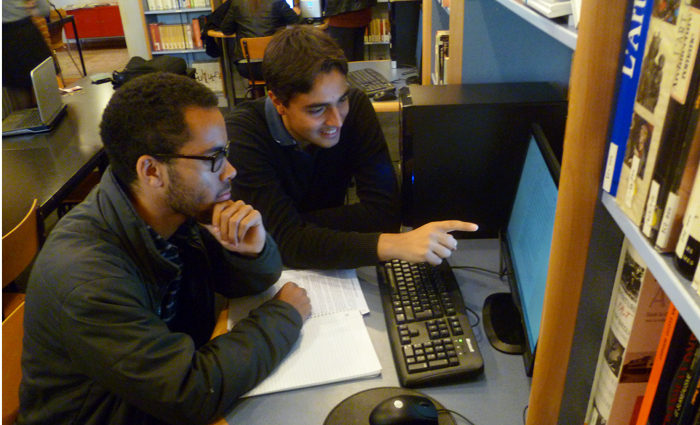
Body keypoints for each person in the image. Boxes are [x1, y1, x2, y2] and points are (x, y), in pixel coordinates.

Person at [17, 73, 312, 425]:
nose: (230, 171)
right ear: (152, 171)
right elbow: (188, 393)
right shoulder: (86, 277)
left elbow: (250, 285)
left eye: (226, 152)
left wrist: (251, 251)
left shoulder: (171, 212)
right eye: (214, 158)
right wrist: (283, 317)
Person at [225, 25, 477, 270]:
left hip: (330, 265)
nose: (337, 121)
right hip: (271, 271)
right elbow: (283, 243)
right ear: (278, 102)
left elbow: (385, 214)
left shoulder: (355, 107)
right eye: (317, 109)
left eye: (341, 99)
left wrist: (294, 228)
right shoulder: (243, 135)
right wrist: (393, 244)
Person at [213, 0, 301, 87]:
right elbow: (298, 23)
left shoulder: (237, 3)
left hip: (247, 67)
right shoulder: (278, 1)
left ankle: (259, 97)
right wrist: (296, 11)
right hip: (276, 66)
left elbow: (226, 30)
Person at [2, 0, 52, 110]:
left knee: (20, 96)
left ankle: (28, 125)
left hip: (6, 40)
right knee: (47, 92)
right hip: (28, 33)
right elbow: (44, 9)